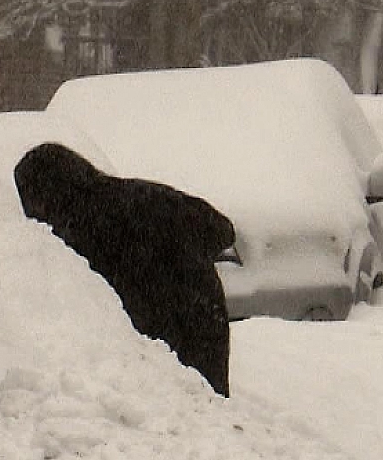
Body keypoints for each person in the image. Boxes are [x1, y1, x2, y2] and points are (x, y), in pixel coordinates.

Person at [12, 142, 234, 397]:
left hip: (159, 331)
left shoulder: (71, 229)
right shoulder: (141, 193)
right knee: (210, 413)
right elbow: (222, 230)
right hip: (205, 312)